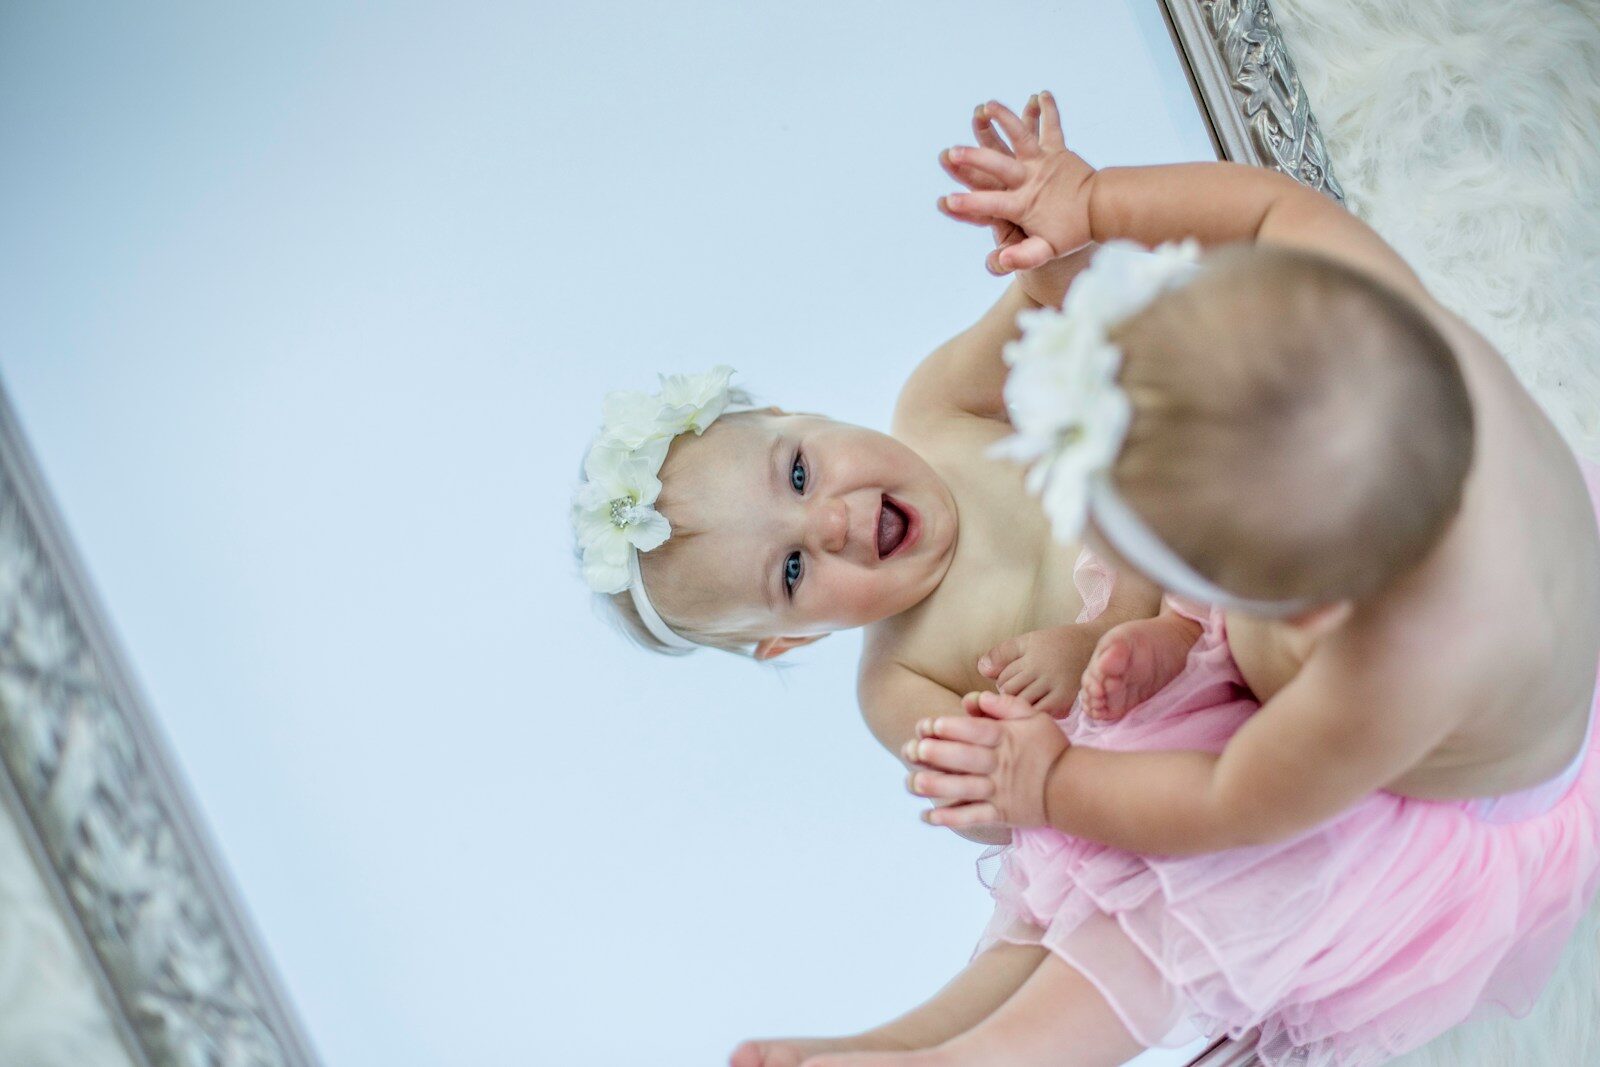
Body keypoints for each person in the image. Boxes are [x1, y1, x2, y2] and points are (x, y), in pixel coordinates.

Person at [799, 93, 1600, 1067]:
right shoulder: (1373, 307)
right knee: (1138, 795)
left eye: (1174, 575)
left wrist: (1055, 782)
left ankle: (985, 1057)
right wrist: (1092, 203)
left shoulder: (1386, 670)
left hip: (1441, 790)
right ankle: (923, 1034)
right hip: (1480, 590)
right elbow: (1266, 209)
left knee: (1205, 890)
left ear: (1295, 604)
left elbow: (1226, 799)